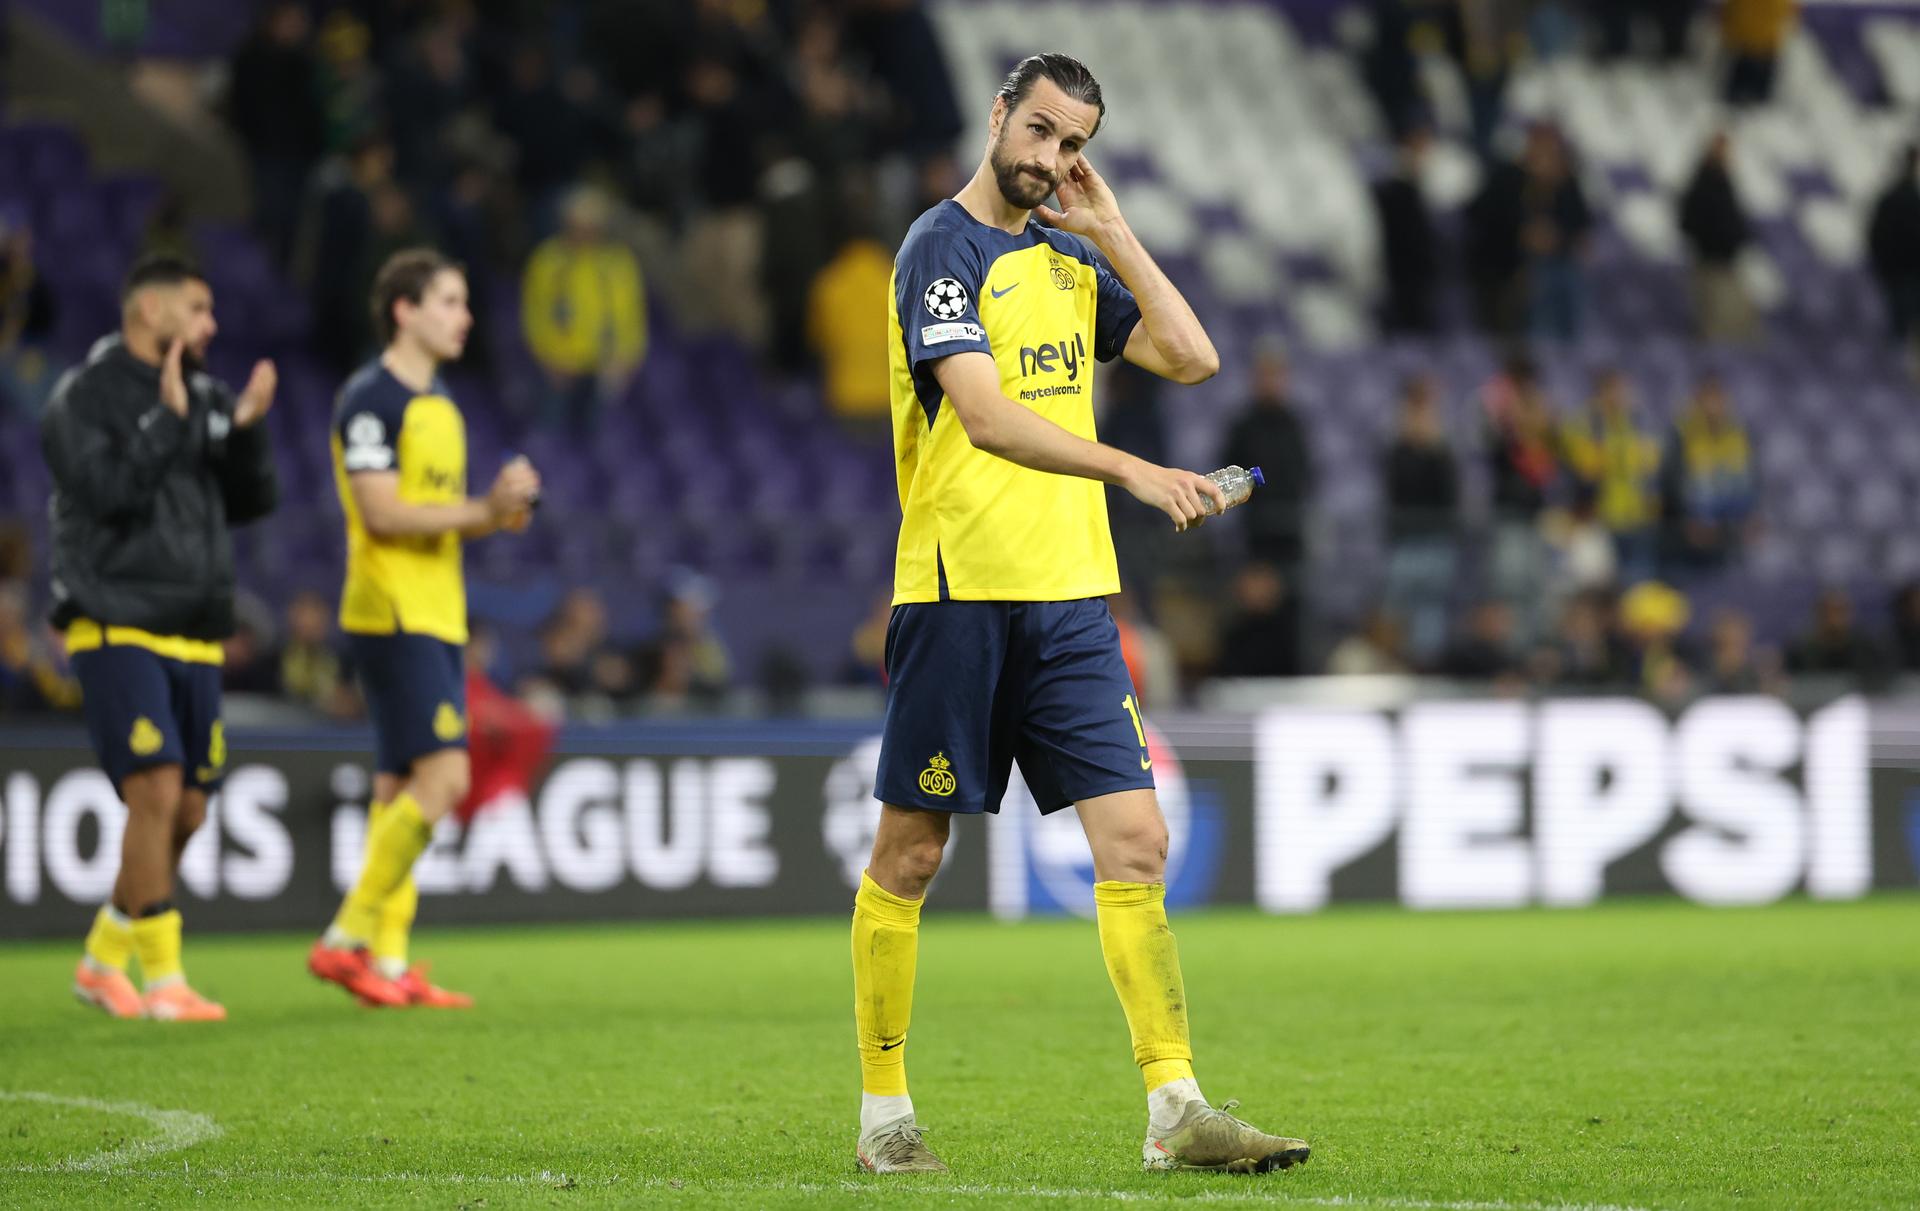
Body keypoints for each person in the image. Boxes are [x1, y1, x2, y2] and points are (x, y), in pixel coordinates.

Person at [854, 53, 1308, 1177]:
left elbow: (1192, 356)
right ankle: (884, 1117)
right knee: (910, 855)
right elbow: (987, 414)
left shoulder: (1066, 261)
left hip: (1069, 602)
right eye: (1041, 131)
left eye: (1072, 147)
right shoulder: (937, 249)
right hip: (959, 589)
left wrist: (1111, 229)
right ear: (998, 113)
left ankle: (1176, 1105)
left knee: (1138, 844)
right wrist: (1133, 470)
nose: (1050, 159)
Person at [43, 254, 279, 1021]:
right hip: (116, 615)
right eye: (199, 308)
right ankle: (165, 980)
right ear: (150, 309)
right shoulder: (83, 396)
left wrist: (243, 431)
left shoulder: (208, 394)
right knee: (155, 788)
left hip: (195, 627)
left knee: (186, 812)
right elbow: (107, 494)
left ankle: (102, 958)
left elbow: (251, 502)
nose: (212, 324)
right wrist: (166, 420)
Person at [306, 249, 541, 1009]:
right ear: (403, 310)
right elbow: (381, 512)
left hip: (435, 610)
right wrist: (483, 510)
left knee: (398, 787)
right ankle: (345, 938)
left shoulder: (440, 403)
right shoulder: (372, 399)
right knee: (446, 779)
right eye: (448, 300)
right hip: (392, 609)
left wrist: (500, 508)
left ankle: (390, 958)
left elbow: (443, 518)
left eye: (464, 301)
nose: (463, 316)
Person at [521, 186, 647, 435]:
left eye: (590, 225)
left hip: (605, 366)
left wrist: (628, 357)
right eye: (578, 224)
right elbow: (534, 313)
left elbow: (633, 314)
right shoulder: (548, 260)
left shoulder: (618, 262)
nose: (584, 232)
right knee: (551, 436)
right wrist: (546, 358)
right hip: (559, 367)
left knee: (600, 438)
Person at [1381, 375, 1459, 666]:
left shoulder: (1442, 451)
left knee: (1431, 614)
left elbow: (1448, 496)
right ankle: (1397, 667)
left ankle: (1427, 668)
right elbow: (1398, 491)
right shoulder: (1397, 450)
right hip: (1404, 542)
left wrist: (1433, 451)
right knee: (1397, 611)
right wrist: (1411, 448)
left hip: (1436, 542)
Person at [1218, 339, 1313, 569]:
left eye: (1276, 375)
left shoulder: (1295, 424)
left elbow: (1305, 472)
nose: (1271, 382)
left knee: (1292, 589)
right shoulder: (1243, 425)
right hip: (1253, 530)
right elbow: (1228, 470)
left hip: (1290, 527)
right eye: (1265, 375)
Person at [1679, 132, 1757, 343]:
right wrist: (1714, 239)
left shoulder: (1724, 181)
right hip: (1710, 261)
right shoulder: (1702, 182)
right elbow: (1690, 221)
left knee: (1733, 324)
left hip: (1727, 261)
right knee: (1715, 321)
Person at [1867, 145, 1920, 354]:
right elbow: (1877, 236)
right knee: (1902, 325)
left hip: (1900, 273)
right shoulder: (1898, 199)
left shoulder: (1893, 198)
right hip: (1903, 274)